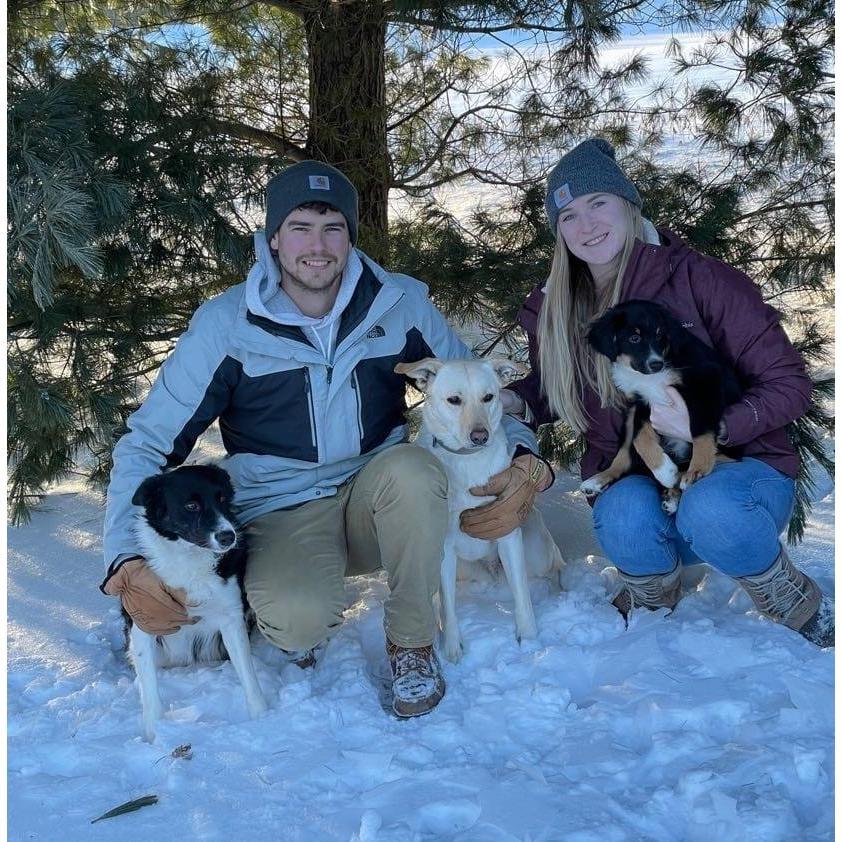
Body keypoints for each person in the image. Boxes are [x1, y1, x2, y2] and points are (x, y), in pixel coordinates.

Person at [100, 160, 553, 718]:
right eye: (300, 227)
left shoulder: (399, 303)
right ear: (272, 238)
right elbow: (147, 443)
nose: (318, 245)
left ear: (350, 237)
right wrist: (125, 558)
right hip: (281, 506)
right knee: (294, 620)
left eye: (332, 227)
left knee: (416, 471)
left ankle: (412, 643)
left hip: (379, 493)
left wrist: (528, 456)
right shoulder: (226, 325)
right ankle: (302, 604)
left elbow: (474, 386)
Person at [503, 138, 833, 647]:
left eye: (598, 204)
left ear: (629, 205)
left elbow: (789, 384)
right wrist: (515, 400)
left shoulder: (699, 279)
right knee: (622, 515)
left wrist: (717, 426)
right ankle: (654, 590)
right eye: (567, 216)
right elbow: (554, 390)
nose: (586, 226)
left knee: (711, 508)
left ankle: (782, 589)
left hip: (739, 478)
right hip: (647, 477)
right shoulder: (556, 307)